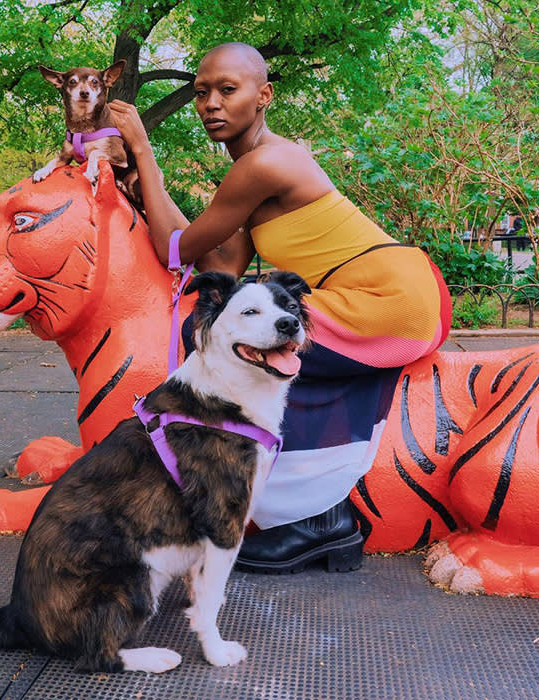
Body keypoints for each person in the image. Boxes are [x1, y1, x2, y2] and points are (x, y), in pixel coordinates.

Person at [109, 42, 451, 574]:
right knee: (227, 335)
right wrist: (140, 188)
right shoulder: (256, 168)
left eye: (228, 90)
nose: (210, 104)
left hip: (389, 301)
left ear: (264, 95)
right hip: (384, 290)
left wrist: (143, 151)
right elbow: (211, 256)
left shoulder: (263, 165)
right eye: (201, 93)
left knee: (225, 344)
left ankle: (320, 517)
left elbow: (172, 249)